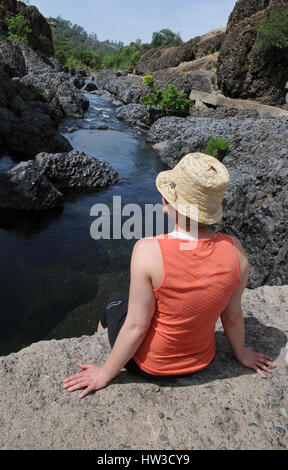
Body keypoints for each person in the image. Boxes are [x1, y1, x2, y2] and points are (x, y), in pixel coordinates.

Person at [63, 153, 275, 399]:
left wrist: (104, 374)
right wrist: (242, 354)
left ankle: (101, 347)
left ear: (169, 204)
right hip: (202, 361)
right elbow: (233, 317)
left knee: (114, 301)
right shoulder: (236, 251)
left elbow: (136, 327)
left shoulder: (147, 250)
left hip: (149, 367)